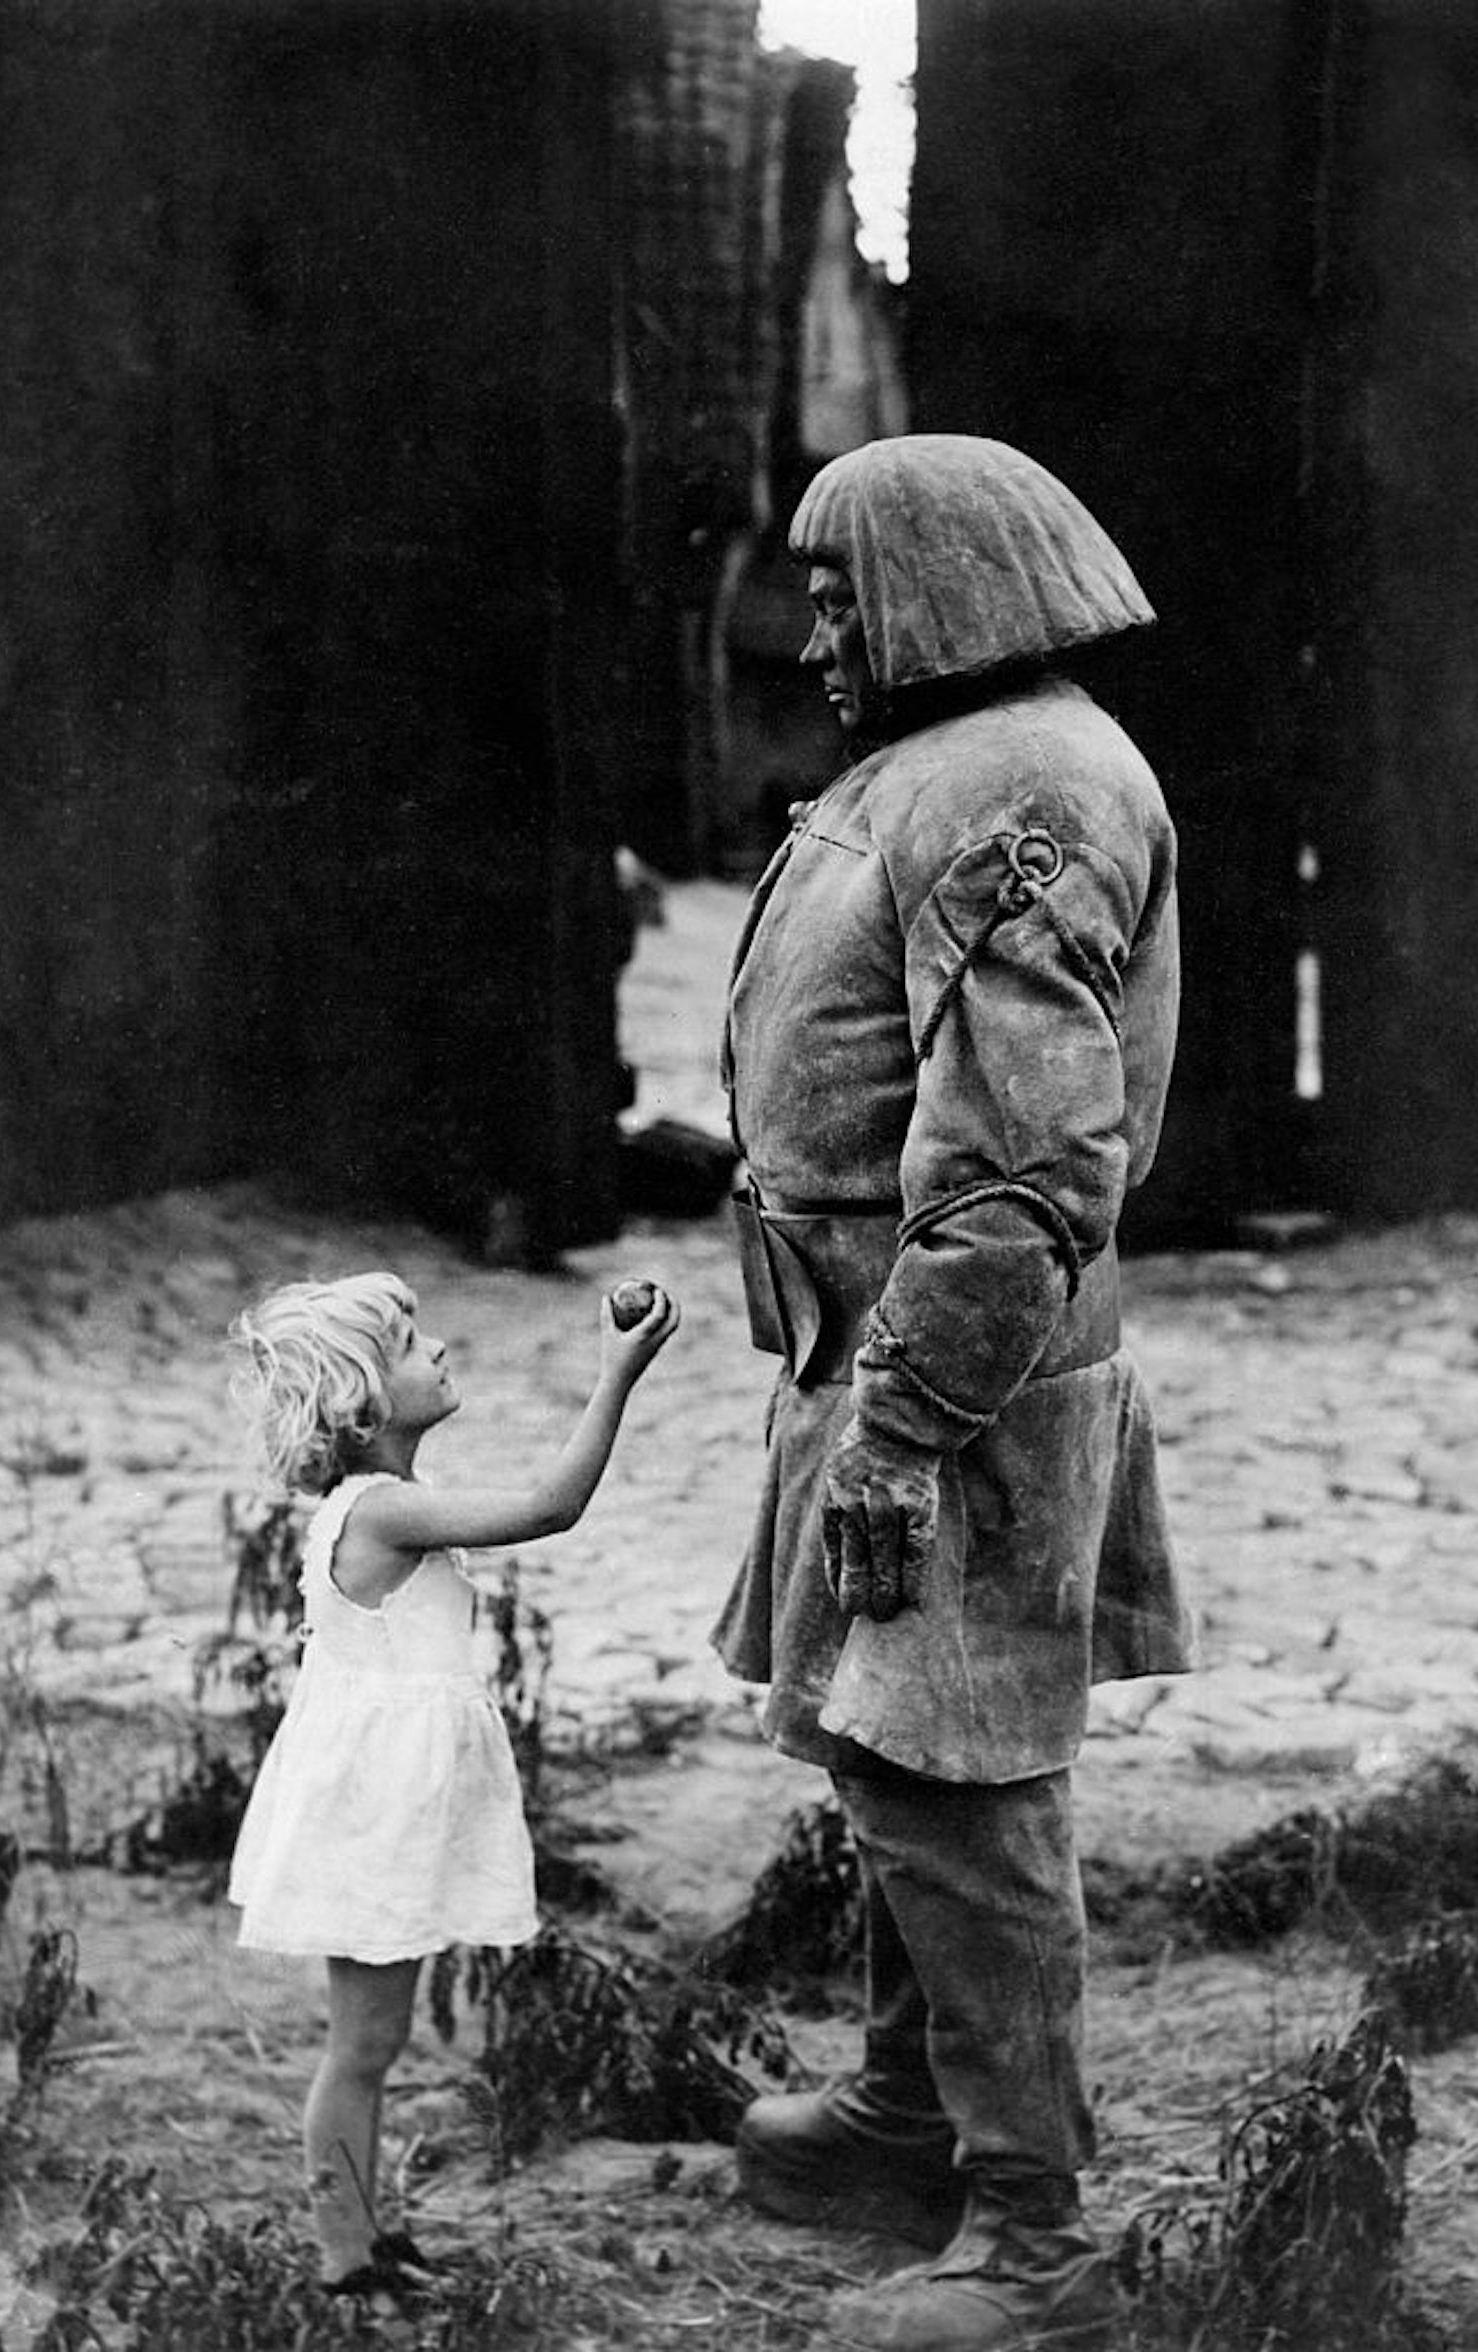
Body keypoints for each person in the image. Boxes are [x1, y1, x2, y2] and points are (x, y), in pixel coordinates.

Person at [715, 433, 1190, 2352]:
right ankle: (916, 2117)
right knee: (895, 1758)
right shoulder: (947, 761)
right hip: (873, 1351)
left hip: (953, 1376)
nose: (814, 628)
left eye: (844, 591)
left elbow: (1019, 1171)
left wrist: (904, 1430)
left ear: (952, 587)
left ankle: (1034, 2235)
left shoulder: (1029, 794)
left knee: (965, 1789)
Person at [225, 1267, 678, 2300]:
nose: (438, 1351)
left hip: (385, 1799)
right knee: (362, 2045)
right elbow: (549, 1508)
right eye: (408, 1346)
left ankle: (366, 2239)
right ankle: (347, 2260)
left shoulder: (384, 1506)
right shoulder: (382, 1511)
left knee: (372, 2041)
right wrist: (617, 1377)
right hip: (370, 1808)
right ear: (362, 1402)